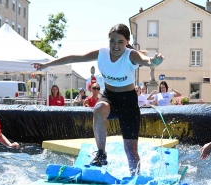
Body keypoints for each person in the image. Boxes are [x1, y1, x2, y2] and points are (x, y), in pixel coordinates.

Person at [32, 23, 164, 176]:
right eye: (112, 41)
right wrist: (46, 65)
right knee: (99, 108)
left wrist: (154, 62)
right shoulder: (102, 54)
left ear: (127, 42)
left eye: (120, 42)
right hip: (110, 97)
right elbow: (74, 57)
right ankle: (101, 153)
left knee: (130, 150)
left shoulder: (131, 55)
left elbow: (147, 61)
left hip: (128, 103)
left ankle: (135, 178)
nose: (116, 45)